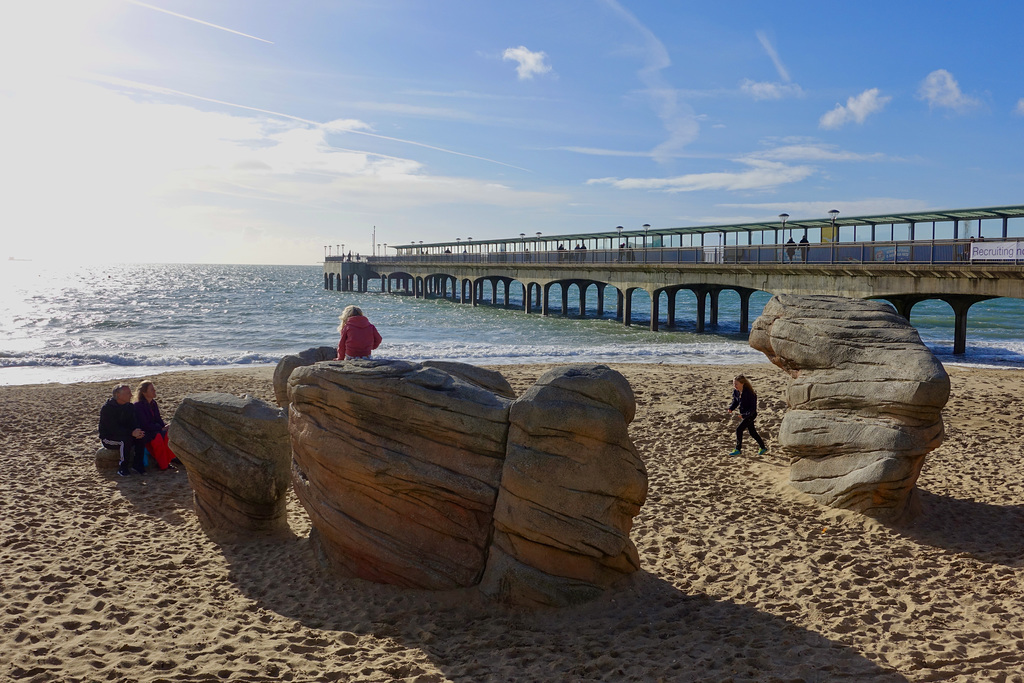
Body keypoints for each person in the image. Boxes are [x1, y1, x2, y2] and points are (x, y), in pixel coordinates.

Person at [99, 384, 146, 476]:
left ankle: (137, 465)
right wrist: (131, 433)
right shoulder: (107, 408)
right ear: (118, 395)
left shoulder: (129, 407)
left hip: (126, 434)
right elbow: (112, 429)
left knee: (142, 436)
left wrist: (137, 431)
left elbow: (134, 422)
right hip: (109, 438)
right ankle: (123, 467)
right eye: (128, 393)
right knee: (125, 441)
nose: (131, 395)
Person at [133, 381, 178, 471]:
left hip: (155, 429)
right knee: (157, 438)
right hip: (145, 432)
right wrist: (160, 428)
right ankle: (163, 465)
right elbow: (144, 424)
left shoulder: (153, 403)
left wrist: (165, 426)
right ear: (144, 392)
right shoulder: (138, 406)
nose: (154, 391)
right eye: (152, 389)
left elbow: (158, 419)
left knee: (170, 434)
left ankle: (167, 460)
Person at [727, 374, 767, 456]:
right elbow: (736, 401)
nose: (735, 386)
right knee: (752, 432)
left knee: (739, 430)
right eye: (733, 383)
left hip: (750, 415)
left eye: (736, 384)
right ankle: (763, 447)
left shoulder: (750, 393)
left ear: (742, 383)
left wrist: (744, 416)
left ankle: (738, 449)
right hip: (744, 414)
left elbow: (752, 409)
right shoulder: (736, 391)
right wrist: (731, 408)